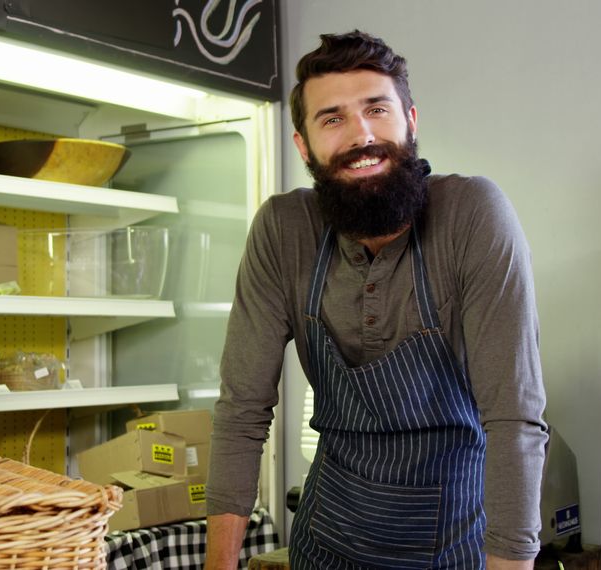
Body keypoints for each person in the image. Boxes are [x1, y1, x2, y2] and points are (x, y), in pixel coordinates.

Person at [205, 30, 548, 569]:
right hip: (328, 542)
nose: (361, 135)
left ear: (411, 120)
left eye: (376, 109)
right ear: (304, 146)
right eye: (332, 118)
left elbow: (513, 418)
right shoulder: (283, 229)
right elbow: (242, 411)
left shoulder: (473, 214)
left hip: (454, 544)